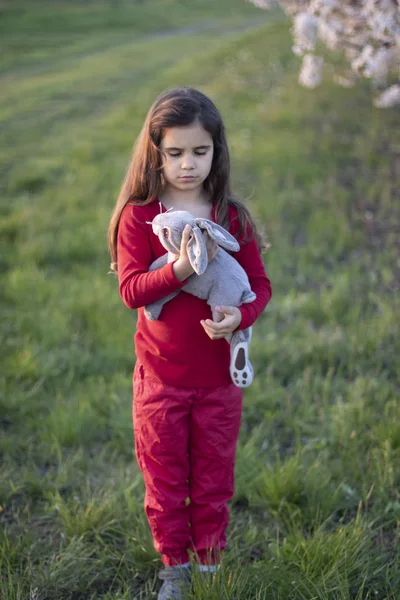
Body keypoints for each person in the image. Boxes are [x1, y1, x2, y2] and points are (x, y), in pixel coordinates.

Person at [108, 87, 272, 599]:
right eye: (175, 153)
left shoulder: (232, 217)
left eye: (199, 152)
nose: (187, 165)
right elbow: (133, 289)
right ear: (155, 152)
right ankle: (174, 569)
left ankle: (207, 566)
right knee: (165, 483)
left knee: (213, 482)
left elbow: (259, 285)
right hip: (161, 381)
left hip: (219, 381)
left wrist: (238, 316)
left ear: (216, 151)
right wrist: (180, 269)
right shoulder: (142, 218)